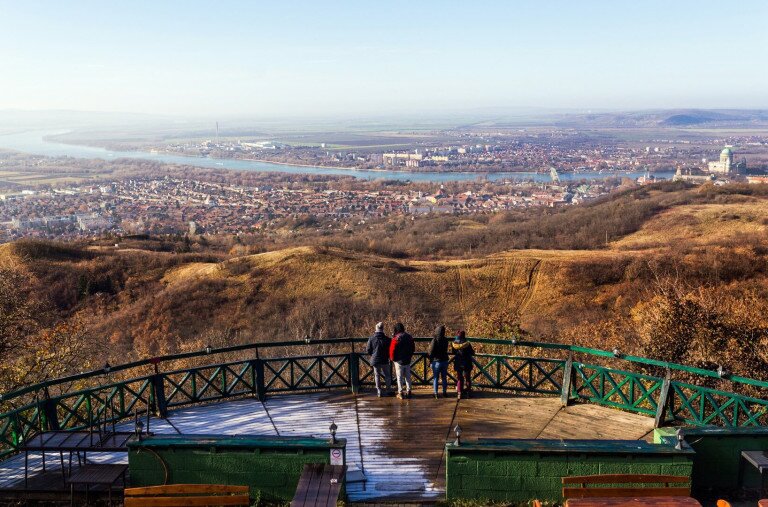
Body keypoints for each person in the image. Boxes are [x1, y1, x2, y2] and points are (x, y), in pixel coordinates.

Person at [389, 322, 415, 399]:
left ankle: (400, 393)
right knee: (408, 376)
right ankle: (409, 391)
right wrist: (410, 356)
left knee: (399, 377)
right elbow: (413, 348)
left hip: (399, 361)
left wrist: (392, 358)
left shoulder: (396, 338)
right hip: (407, 360)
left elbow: (392, 350)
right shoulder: (409, 337)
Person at [366, 322, 392, 397]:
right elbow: (390, 350)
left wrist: (373, 355)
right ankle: (388, 390)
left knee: (377, 375)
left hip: (375, 360)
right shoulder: (387, 339)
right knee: (387, 375)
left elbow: (368, 349)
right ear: (383, 329)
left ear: (376, 329)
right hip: (385, 360)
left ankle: (379, 390)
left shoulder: (371, 338)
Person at [451, 330, 475, 399]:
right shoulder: (467, 343)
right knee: (467, 378)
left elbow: (453, 352)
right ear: (464, 335)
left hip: (458, 362)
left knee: (459, 378)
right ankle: (468, 393)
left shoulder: (454, 343)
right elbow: (472, 352)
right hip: (467, 362)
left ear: (457, 335)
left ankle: (459, 393)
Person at [428, 325, 450, 399]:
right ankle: (444, 392)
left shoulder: (435, 340)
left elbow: (430, 352)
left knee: (435, 378)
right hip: (445, 361)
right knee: (444, 378)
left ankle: (436, 393)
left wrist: (430, 360)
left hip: (436, 361)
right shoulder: (446, 340)